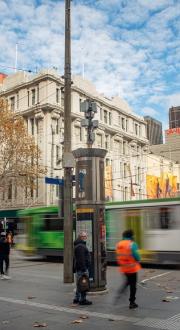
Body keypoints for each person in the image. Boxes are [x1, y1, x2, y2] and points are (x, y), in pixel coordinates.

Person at [115, 229, 141, 309]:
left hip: (123, 268)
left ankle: (120, 292)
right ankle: (132, 302)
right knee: (133, 285)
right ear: (131, 236)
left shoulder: (119, 244)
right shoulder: (132, 244)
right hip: (132, 268)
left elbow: (118, 255)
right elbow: (137, 257)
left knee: (128, 281)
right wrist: (138, 259)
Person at [73, 231, 92, 305]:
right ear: (80, 237)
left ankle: (76, 298)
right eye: (83, 236)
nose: (85, 238)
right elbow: (81, 259)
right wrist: (84, 269)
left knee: (79, 284)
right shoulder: (81, 246)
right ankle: (83, 299)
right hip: (82, 269)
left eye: (85, 236)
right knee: (83, 284)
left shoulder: (79, 245)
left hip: (79, 268)